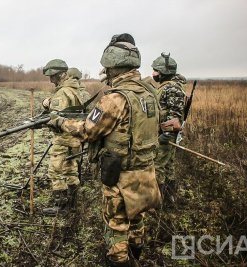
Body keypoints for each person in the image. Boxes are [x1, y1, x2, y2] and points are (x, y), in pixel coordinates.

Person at [47, 34, 161, 267]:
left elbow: (88, 131)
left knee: (117, 223)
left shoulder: (115, 98)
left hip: (120, 173)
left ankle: (119, 261)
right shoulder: (149, 94)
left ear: (113, 68)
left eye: (107, 69)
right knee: (137, 216)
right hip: (146, 170)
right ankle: (136, 253)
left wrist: (60, 123)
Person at [41, 59, 84, 215]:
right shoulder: (76, 90)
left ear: (61, 75)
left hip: (63, 138)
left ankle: (61, 206)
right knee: (71, 171)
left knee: (56, 171)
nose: (51, 79)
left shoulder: (62, 93)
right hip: (75, 138)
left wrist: (47, 121)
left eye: (53, 76)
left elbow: (56, 118)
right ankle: (72, 204)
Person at [151, 53, 187, 203]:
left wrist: (166, 134)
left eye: (155, 70)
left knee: (158, 165)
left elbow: (175, 115)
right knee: (167, 165)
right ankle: (170, 197)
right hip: (164, 133)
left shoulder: (172, 88)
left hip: (166, 135)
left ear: (163, 72)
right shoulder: (165, 87)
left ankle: (159, 200)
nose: (153, 73)